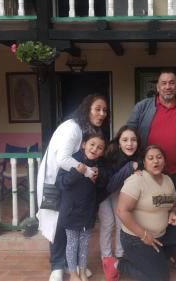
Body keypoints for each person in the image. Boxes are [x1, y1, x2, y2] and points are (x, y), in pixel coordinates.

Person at [36, 94, 108, 281]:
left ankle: (70, 265)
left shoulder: (85, 129)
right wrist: (87, 172)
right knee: (59, 223)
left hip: (71, 182)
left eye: (104, 111)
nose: (102, 114)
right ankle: (57, 266)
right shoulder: (73, 128)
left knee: (68, 224)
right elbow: (63, 159)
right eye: (97, 109)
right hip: (58, 181)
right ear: (87, 109)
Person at [127, 71, 176, 269]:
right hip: (149, 172)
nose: (168, 87)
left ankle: (174, 251)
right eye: (164, 83)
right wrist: (131, 163)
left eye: (172, 83)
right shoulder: (143, 107)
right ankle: (148, 247)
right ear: (158, 87)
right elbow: (129, 133)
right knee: (149, 210)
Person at [116, 145, 176, 281]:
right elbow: (121, 211)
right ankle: (120, 264)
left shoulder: (168, 181)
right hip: (136, 239)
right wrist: (143, 234)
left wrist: (172, 214)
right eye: (150, 158)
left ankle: (155, 257)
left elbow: (174, 206)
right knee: (160, 278)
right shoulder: (137, 180)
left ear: (164, 161)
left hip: (160, 235)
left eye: (159, 157)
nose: (156, 161)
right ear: (144, 162)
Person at [58, 132, 107, 281]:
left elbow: (102, 186)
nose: (95, 149)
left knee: (84, 244)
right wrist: (76, 172)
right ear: (84, 144)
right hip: (71, 211)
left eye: (99, 147)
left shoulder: (99, 165)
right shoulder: (70, 161)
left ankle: (83, 271)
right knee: (72, 244)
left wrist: (100, 176)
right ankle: (73, 273)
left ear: (103, 151)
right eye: (92, 144)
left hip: (88, 212)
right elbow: (61, 184)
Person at [99, 125, 141, 281]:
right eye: (125, 140)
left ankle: (120, 255)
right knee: (108, 223)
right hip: (104, 193)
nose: (129, 144)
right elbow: (110, 185)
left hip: (121, 193)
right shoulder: (110, 156)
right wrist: (130, 168)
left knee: (120, 222)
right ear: (119, 143)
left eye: (133, 140)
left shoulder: (139, 158)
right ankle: (107, 258)